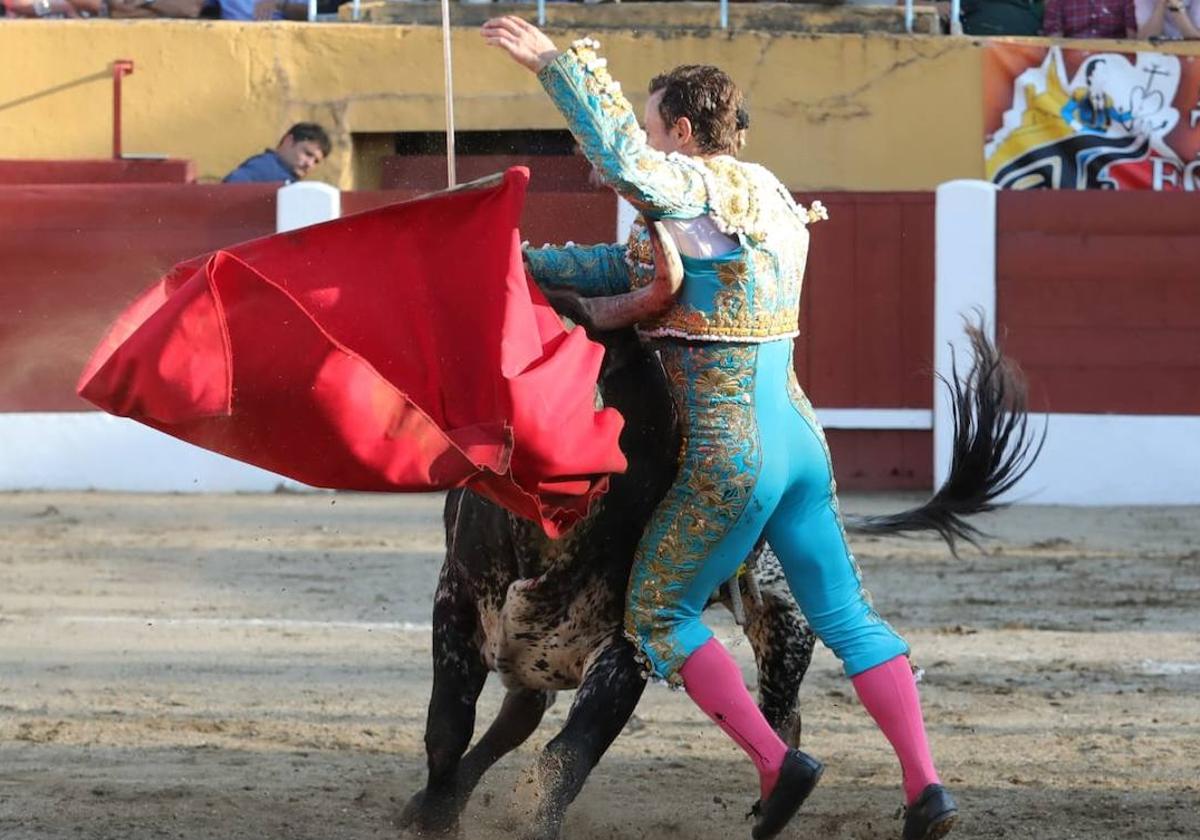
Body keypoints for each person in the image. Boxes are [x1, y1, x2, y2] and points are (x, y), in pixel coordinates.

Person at [483, 15, 956, 840]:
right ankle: (926, 787)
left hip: (729, 453)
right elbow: (617, 268)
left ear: (685, 132)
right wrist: (515, 258)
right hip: (802, 444)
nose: (643, 136)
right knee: (849, 619)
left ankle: (778, 763)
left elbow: (629, 165)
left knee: (658, 614)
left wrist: (557, 67)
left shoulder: (694, 187)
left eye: (653, 120)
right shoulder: (767, 192)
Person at [223, 123, 330, 184]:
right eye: (308, 154)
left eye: (316, 161)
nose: (310, 164)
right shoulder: (264, 167)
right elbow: (229, 190)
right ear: (289, 141)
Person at [1042, 0, 1137, 37]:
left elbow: (1133, 39)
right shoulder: (1057, 2)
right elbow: (1054, 43)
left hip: (1116, 63)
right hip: (1072, 63)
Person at [1136, 0, 1200, 37]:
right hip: (1159, 54)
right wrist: (1161, 3)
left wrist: (1175, 5)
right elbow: (1143, 39)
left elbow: (1196, 39)